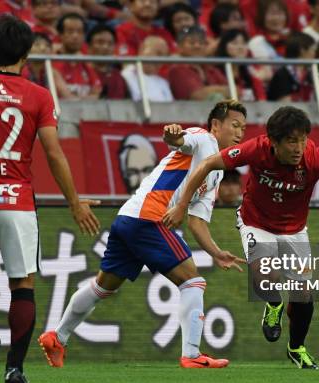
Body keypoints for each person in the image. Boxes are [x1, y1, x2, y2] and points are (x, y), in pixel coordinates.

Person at [163, 106, 319, 369]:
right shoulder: (256, 149)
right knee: (266, 274)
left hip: (295, 231)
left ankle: (296, 348)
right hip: (256, 223)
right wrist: (182, 205)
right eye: (291, 141)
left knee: (303, 298)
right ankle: (274, 304)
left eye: (303, 139)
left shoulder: (314, 159)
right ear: (274, 142)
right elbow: (207, 164)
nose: (299, 147)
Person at [0, 14, 99, 383]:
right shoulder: (39, 96)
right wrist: (75, 202)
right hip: (18, 201)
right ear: (28, 53)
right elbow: (53, 152)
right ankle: (15, 368)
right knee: (23, 284)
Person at [38, 99, 247, 369]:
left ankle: (57, 337)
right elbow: (181, 140)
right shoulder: (203, 138)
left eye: (243, 127)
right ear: (216, 125)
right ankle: (192, 355)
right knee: (192, 282)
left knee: (102, 287)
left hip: (129, 218)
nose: (240, 132)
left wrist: (216, 252)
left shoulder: (216, 175)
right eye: (234, 125)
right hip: (148, 217)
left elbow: (197, 222)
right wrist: (173, 135)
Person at [168, 25, 229, 101]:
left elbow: (236, 90)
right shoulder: (177, 69)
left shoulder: (210, 68)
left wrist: (209, 90)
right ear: (180, 47)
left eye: (201, 43)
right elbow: (197, 96)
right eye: (192, 42)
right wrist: (224, 90)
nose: (197, 46)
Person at [54, 13, 102, 99]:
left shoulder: (87, 63)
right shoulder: (52, 61)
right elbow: (67, 96)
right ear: (60, 35)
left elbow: (96, 94)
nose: (75, 36)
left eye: (80, 32)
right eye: (70, 31)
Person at [216, 29, 266, 101]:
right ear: (224, 46)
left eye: (244, 43)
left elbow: (262, 101)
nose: (240, 47)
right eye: (234, 43)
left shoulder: (251, 76)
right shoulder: (215, 74)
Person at [122, 35, 173, 102]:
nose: (160, 60)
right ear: (142, 49)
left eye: (163, 57)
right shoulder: (126, 76)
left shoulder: (163, 83)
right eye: (158, 53)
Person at [267, 31, 315, 102]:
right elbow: (282, 101)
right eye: (312, 49)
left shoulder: (311, 72)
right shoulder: (282, 73)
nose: (315, 53)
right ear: (302, 50)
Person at [87, 23, 129, 99]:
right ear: (89, 47)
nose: (105, 47)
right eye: (100, 42)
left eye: (110, 44)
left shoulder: (119, 76)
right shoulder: (83, 73)